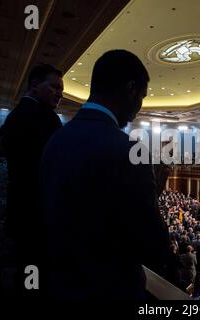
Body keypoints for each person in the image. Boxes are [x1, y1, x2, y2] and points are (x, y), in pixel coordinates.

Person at [40, 50, 169, 300]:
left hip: (59, 285)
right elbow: (156, 250)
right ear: (131, 89)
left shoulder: (55, 139)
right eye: (141, 97)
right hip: (110, 292)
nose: (139, 109)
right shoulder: (131, 151)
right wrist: (155, 193)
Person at [1, 64, 64, 289]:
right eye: (55, 87)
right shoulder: (45, 118)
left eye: (62, 90)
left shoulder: (15, 115)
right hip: (37, 217)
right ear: (35, 85)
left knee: (25, 274)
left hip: (19, 214)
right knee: (35, 278)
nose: (60, 93)